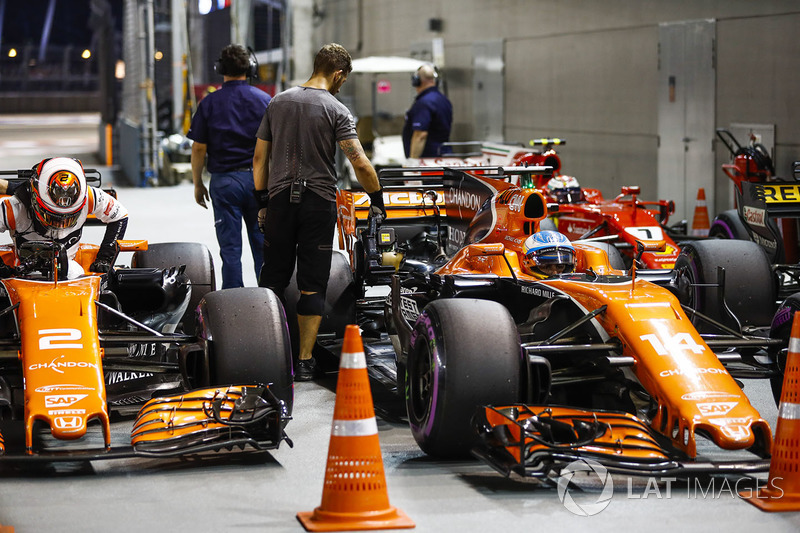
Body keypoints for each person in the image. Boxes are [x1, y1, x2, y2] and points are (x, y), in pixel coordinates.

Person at [253, 43, 384, 381]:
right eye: (344, 80)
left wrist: (263, 201)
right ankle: (306, 360)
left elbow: (259, 160)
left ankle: (268, 351)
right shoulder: (336, 110)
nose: (342, 86)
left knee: (273, 278)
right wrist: (378, 199)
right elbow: (360, 163)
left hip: (280, 201)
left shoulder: (277, 102)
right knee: (313, 283)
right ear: (338, 73)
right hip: (317, 204)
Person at [187, 44, 270, 289]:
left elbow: (199, 148)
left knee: (230, 250)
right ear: (250, 69)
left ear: (220, 69)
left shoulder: (209, 103)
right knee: (263, 247)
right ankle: (271, 300)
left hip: (224, 183)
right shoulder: (265, 100)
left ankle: (235, 307)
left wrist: (197, 183)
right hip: (260, 181)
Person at [0, 157, 128, 278]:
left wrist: (105, 258)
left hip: (72, 270)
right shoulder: (14, 206)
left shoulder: (90, 195)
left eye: (67, 217)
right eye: (53, 217)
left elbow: (120, 215)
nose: (60, 223)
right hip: (22, 273)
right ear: (34, 200)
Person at [402, 63, 453, 159]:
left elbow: (420, 135)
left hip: (428, 160)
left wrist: (413, 161)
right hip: (444, 155)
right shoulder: (444, 100)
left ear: (417, 81)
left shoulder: (424, 103)